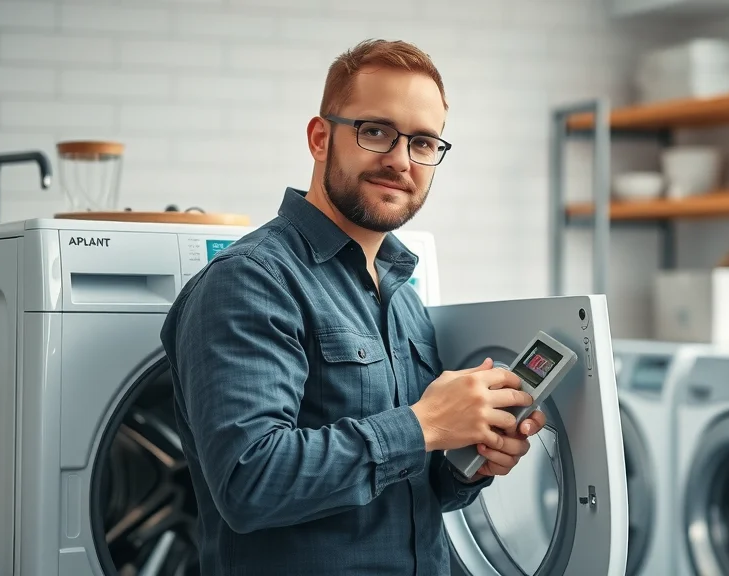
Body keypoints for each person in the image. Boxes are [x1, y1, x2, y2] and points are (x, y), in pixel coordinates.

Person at [159, 38, 548, 575]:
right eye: (376, 131)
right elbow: (249, 482)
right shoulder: (251, 281)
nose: (399, 160)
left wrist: (467, 464)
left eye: (423, 142)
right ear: (321, 138)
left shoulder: (405, 298)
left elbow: (416, 491)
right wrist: (424, 425)